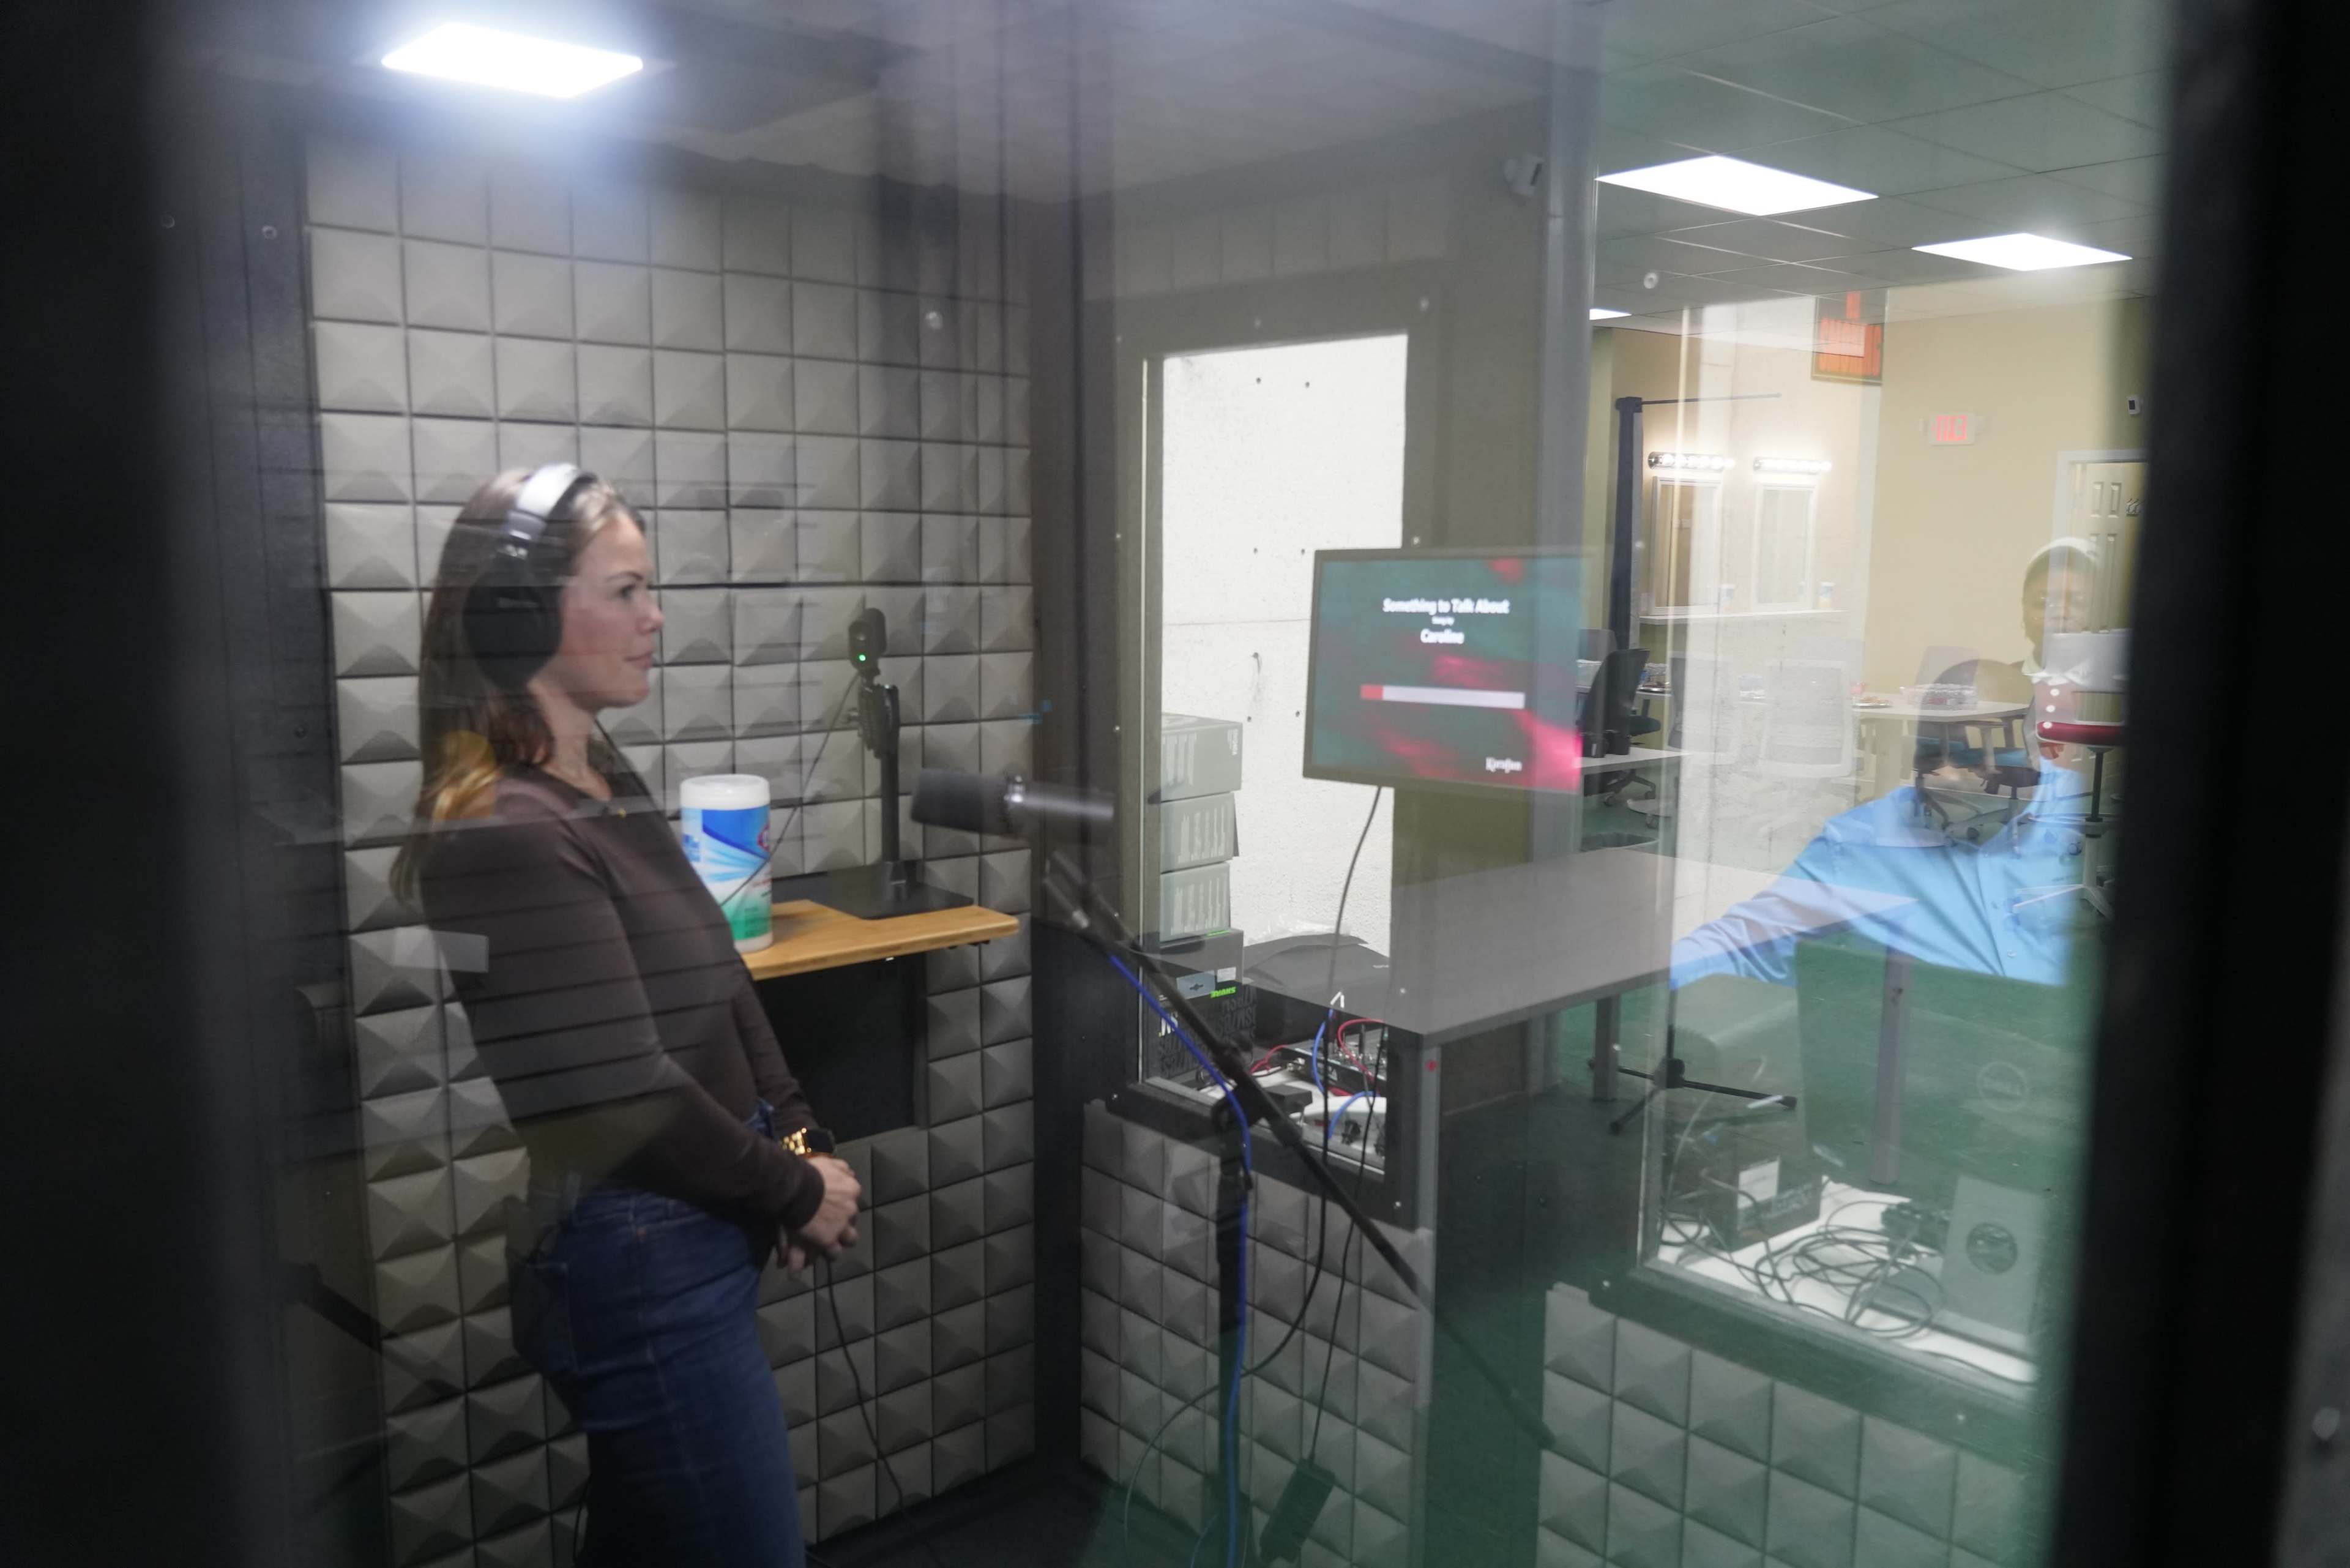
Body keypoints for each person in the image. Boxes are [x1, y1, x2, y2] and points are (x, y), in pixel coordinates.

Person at [393, 465, 859, 1567]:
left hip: (689, 1225)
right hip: (636, 1251)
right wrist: (794, 1187)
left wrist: (800, 1138)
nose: (656, 619)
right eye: (628, 589)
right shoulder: (504, 827)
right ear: (520, 614)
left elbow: (716, 969)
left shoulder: (597, 771)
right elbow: (624, 1085)